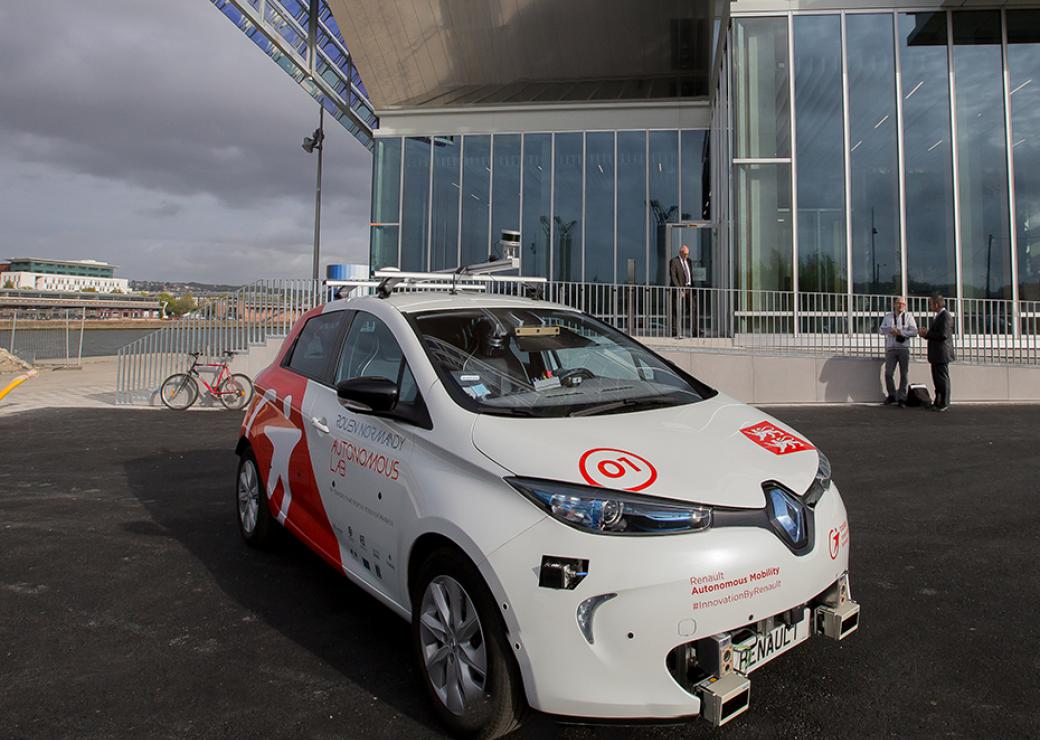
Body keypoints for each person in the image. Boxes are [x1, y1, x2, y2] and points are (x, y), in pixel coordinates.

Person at [917, 293, 955, 412]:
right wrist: (926, 334)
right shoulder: (939, 316)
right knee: (937, 379)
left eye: (931, 304)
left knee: (942, 379)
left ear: (937, 304)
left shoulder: (945, 316)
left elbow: (943, 335)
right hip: (936, 354)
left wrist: (927, 333)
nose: (930, 306)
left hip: (942, 353)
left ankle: (944, 403)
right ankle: (937, 402)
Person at [878, 297, 917, 406]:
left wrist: (900, 333)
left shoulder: (908, 317)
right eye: (898, 303)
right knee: (888, 373)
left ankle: (902, 398)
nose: (900, 306)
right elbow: (881, 330)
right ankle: (892, 395)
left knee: (904, 374)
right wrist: (890, 331)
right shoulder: (888, 317)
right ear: (894, 304)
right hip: (891, 348)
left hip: (903, 348)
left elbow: (914, 332)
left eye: (903, 304)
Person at [668, 244, 695, 338]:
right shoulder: (674, 261)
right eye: (685, 254)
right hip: (678, 289)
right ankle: (675, 331)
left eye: (687, 254)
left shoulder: (689, 261)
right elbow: (673, 276)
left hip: (688, 288)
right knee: (676, 309)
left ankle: (695, 330)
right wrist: (679, 289)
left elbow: (690, 275)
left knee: (693, 308)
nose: (686, 256)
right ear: (680, 252)